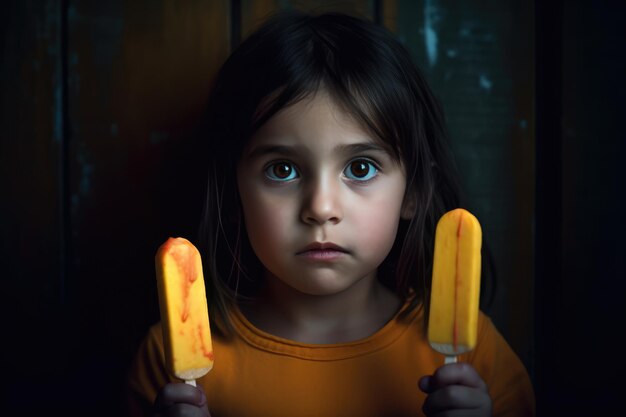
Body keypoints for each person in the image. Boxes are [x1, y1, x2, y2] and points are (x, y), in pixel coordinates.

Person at [126, 10, 535, 417]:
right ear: (233, 195)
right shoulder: (170, 365)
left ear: (413, 192)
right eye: (282, 170)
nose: (320, 208)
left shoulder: (474, 358)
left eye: (360, 168)